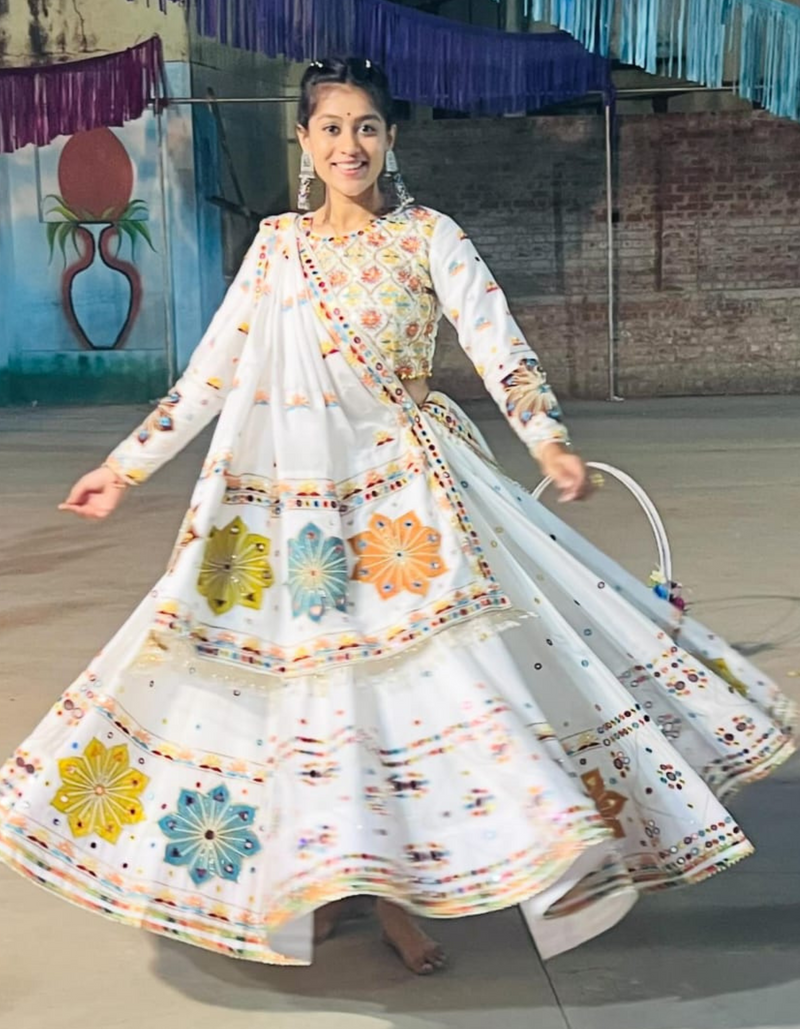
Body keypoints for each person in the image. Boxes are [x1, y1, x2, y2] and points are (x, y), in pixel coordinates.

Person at [0, 57, 794, 977]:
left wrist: (548, 441)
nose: (351, 145)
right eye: (332, 128)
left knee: (441, 691)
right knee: (322, 700)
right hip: (302, 513)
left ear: (391, 138)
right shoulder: (277, 248)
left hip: (411, 504)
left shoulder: (429, 236)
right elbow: (211, 372)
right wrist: (122, 467)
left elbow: (500, 344)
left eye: (367, 127)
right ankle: (339, 879)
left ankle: (408, 892)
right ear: (304, 142)